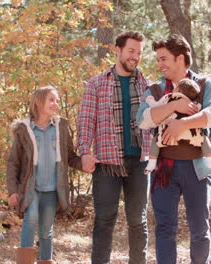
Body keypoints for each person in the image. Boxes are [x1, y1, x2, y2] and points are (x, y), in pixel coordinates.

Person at [136, 34, 211, 264]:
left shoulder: (205, 84)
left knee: (199, 228)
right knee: (164, 228)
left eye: (164, 58)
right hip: (164, 170)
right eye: (158, 59)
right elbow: (143, 120)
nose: (160, 64)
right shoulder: (154, 90)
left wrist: (182, 124)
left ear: (181, 58)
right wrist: (174, 105)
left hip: (198, 167)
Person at [77, 31, 151, 264]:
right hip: (107, 163)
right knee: (104, 220)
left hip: (140, 162)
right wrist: (84, 153)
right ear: (117, 50)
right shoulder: (97, 83)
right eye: (131, 51)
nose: (135, 57)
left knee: (137, 220)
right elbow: (86, 120)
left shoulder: (147, 85)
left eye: (139, 53)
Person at [6, 86, 91, 264]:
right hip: (31, 187)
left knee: (46, 230)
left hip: (53, 188)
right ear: (38, 103)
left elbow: (70, 157)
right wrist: (12, 190)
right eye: (51, 100)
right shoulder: (24, 129)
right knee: (31, 219)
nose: (56, 104)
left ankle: (46, 260)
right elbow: (13, 162)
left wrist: (85, 164)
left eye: (57, 101)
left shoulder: (61, 127)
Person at [143, 78, 211, 174]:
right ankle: (210, 160)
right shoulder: (194, 104)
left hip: (167, 134)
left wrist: (150, 100)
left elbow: (156, 106)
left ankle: (151, 164)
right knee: (204, 139)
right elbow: (201, 111)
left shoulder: (168, 98)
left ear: (179, 90)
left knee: (156, 141)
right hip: (192, 135)